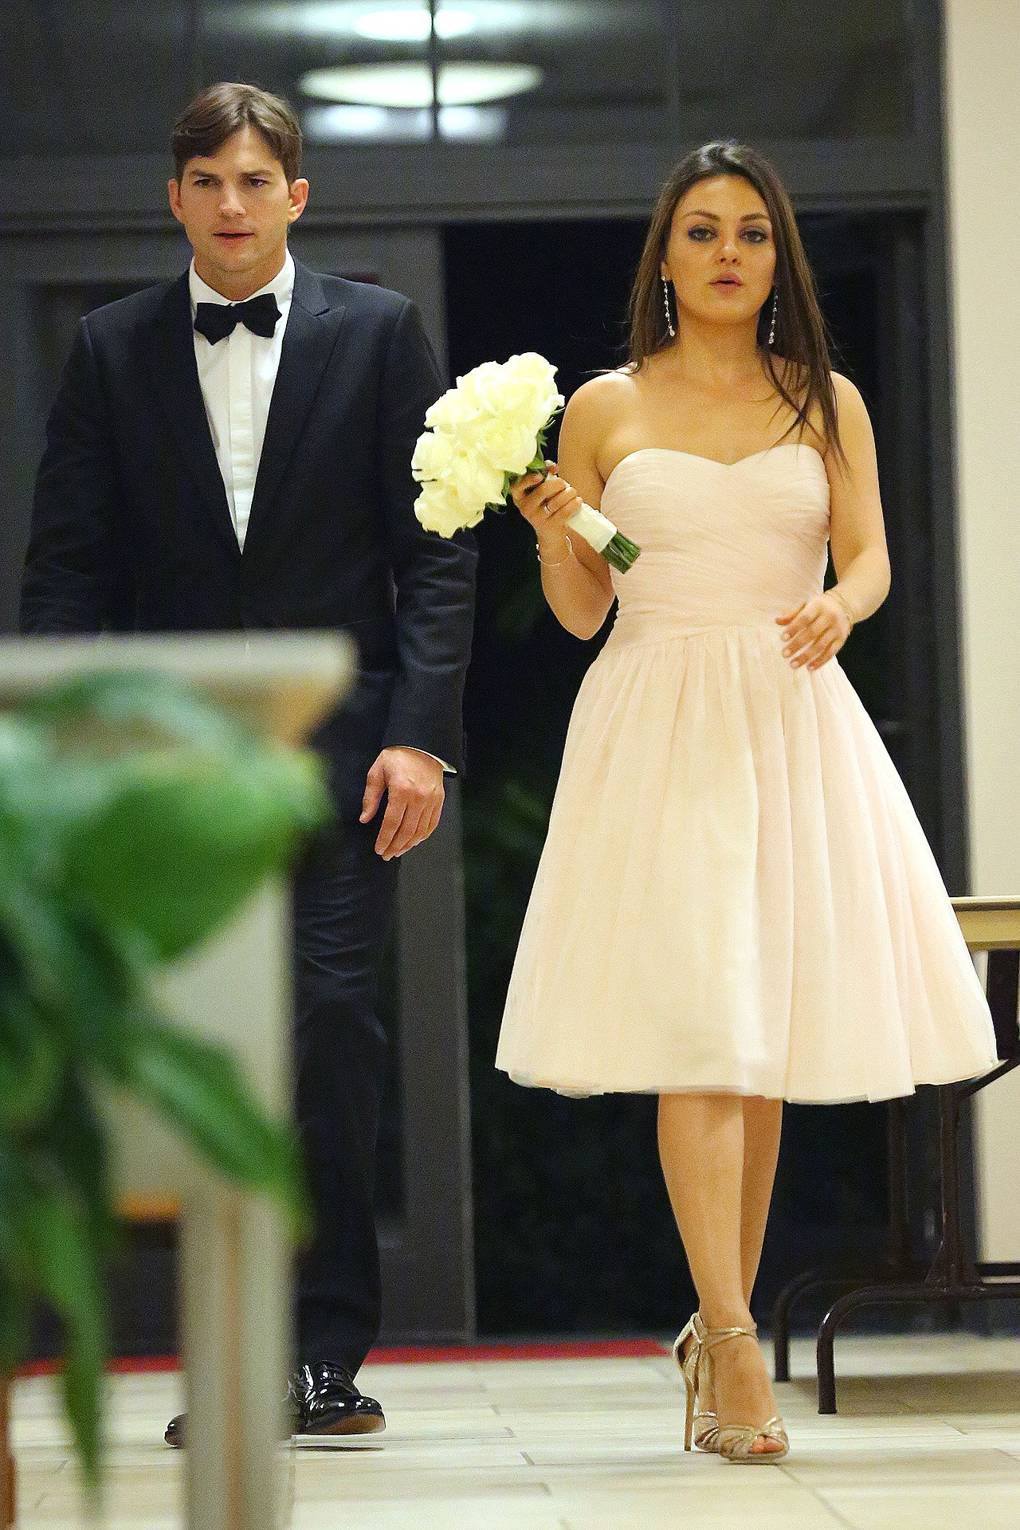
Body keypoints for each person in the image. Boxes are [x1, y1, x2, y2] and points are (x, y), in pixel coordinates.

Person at [495, 140, 996, 1464]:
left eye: (753, 233)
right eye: (704, 230)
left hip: (787, 711)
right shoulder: (603, 406)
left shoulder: (825, 398)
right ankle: (729, 1340)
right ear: (665, 254)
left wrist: (844, 604)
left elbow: (870, 552)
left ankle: (719, 1333)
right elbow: (584, 607)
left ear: (781, 259)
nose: (728, 253)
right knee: (704, 1031)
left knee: (754, 1039)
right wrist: (554, 530)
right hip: (657, 718)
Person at [21, 82, 477, 1446]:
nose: (232, 204)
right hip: (168, 776)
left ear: (298, 196)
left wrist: (419, 734)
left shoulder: (379, 333)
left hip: (343, 762)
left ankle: (322, 1355)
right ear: (175, 198)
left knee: (329, 1030)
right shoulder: (109, 349)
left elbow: (436, 558)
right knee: (205, 1052)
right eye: (208, 181)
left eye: (256, 179)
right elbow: (67, 570)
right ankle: (229, 1355)